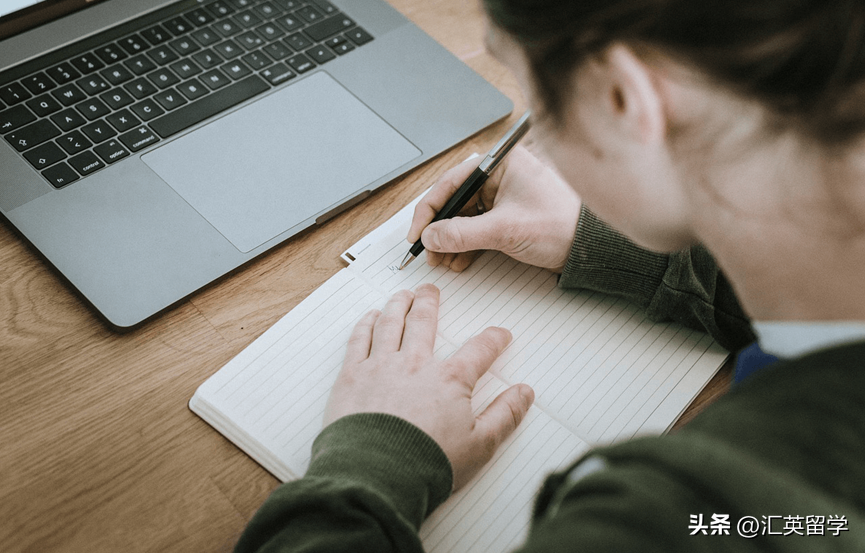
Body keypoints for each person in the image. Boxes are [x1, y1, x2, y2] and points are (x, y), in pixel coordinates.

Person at [234, 0, 865, 550]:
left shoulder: (685, 522)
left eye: (529, 102)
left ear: (624, 101)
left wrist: (374, 463)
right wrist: (631, 239)